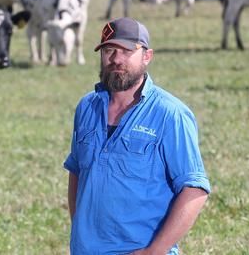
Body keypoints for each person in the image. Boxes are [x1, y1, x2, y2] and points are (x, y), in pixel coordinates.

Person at [64, 17, 210, 254]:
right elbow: (77, 171)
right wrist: (80, 232)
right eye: (109, 50)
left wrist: (153, 251)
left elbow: (194, 190)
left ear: (147, 56)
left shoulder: (170, 114)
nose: (116, 59)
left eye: (126, 51)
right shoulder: (87, 107)